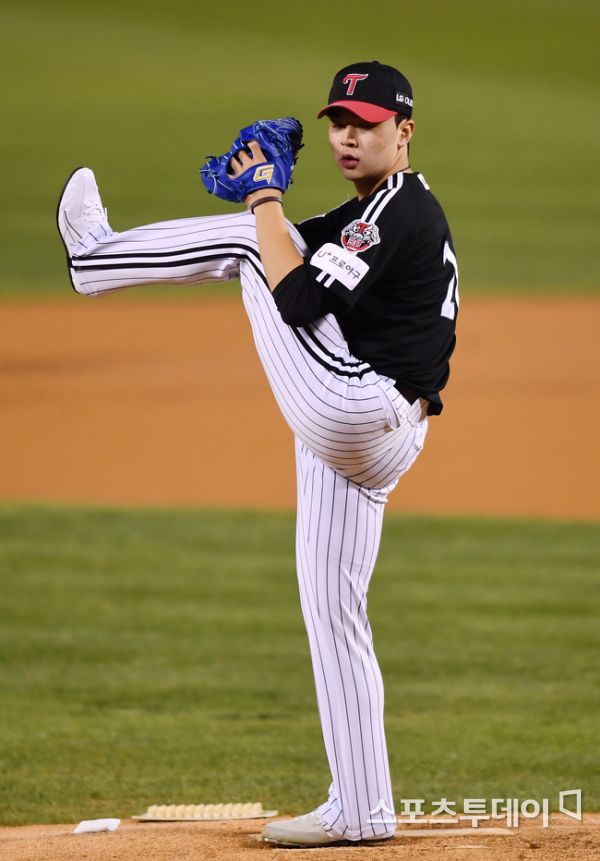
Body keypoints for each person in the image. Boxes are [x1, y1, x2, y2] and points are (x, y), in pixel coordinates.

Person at [56, 60, 458, 848]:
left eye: (368, 123)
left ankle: (94, 258)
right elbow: (301, 259)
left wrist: (263, 196)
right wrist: (268, 210)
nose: (348, 134)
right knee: (333, 612)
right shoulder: (377, 213)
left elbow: (296, 297)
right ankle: (363, 807)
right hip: (381, 431)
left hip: (351, 407)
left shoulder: (395, 214)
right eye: (339, 121)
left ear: (403, 132)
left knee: (250, 239)